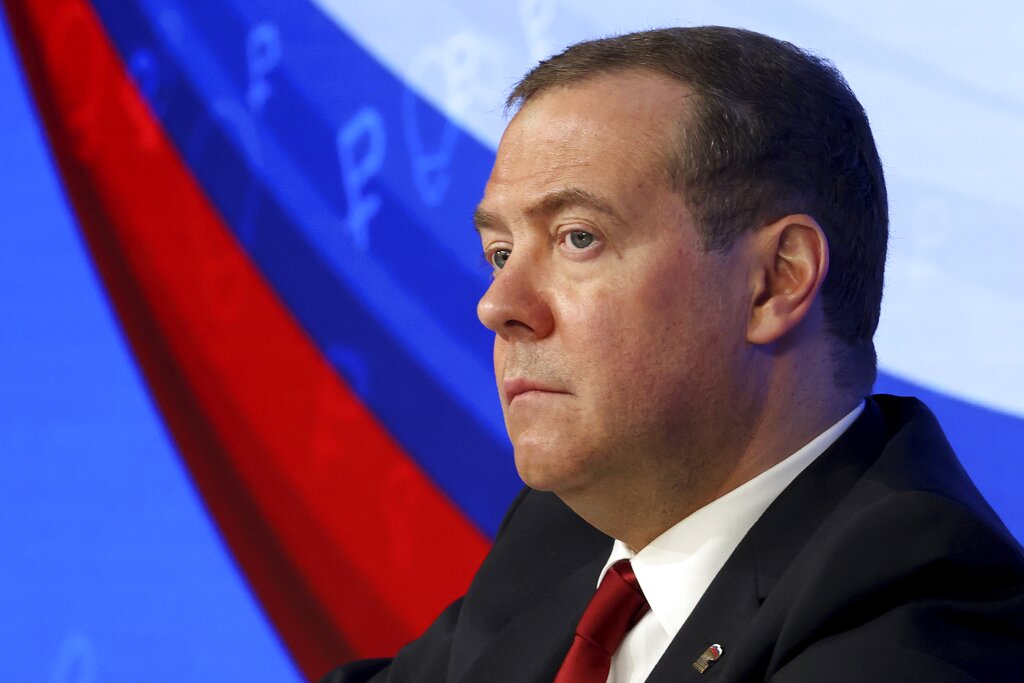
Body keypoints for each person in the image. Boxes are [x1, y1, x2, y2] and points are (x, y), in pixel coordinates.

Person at [321, 26, 1024, 682]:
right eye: (500, 253)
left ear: (776, 281)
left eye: (577, 238)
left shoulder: (924, 608)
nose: (498, 305)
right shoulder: (562, 534)